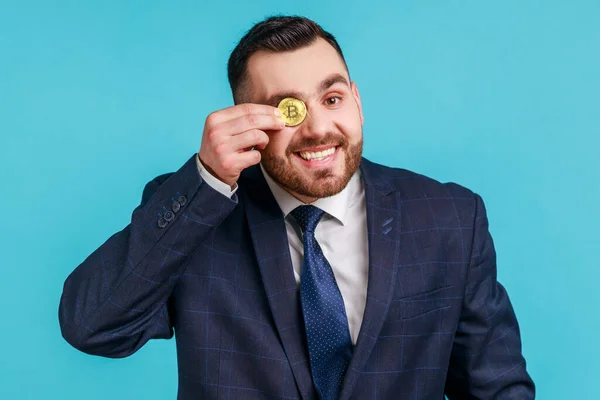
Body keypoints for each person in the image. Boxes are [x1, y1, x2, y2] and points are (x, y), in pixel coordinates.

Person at [59, 15, 535, 400]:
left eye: (332, 98)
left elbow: (495, 389)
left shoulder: (449, 217)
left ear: (358, 102)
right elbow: (92, 328)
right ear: (249, 122)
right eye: (289, 109)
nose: (317, 129)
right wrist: (205, 180)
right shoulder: (195, 215)